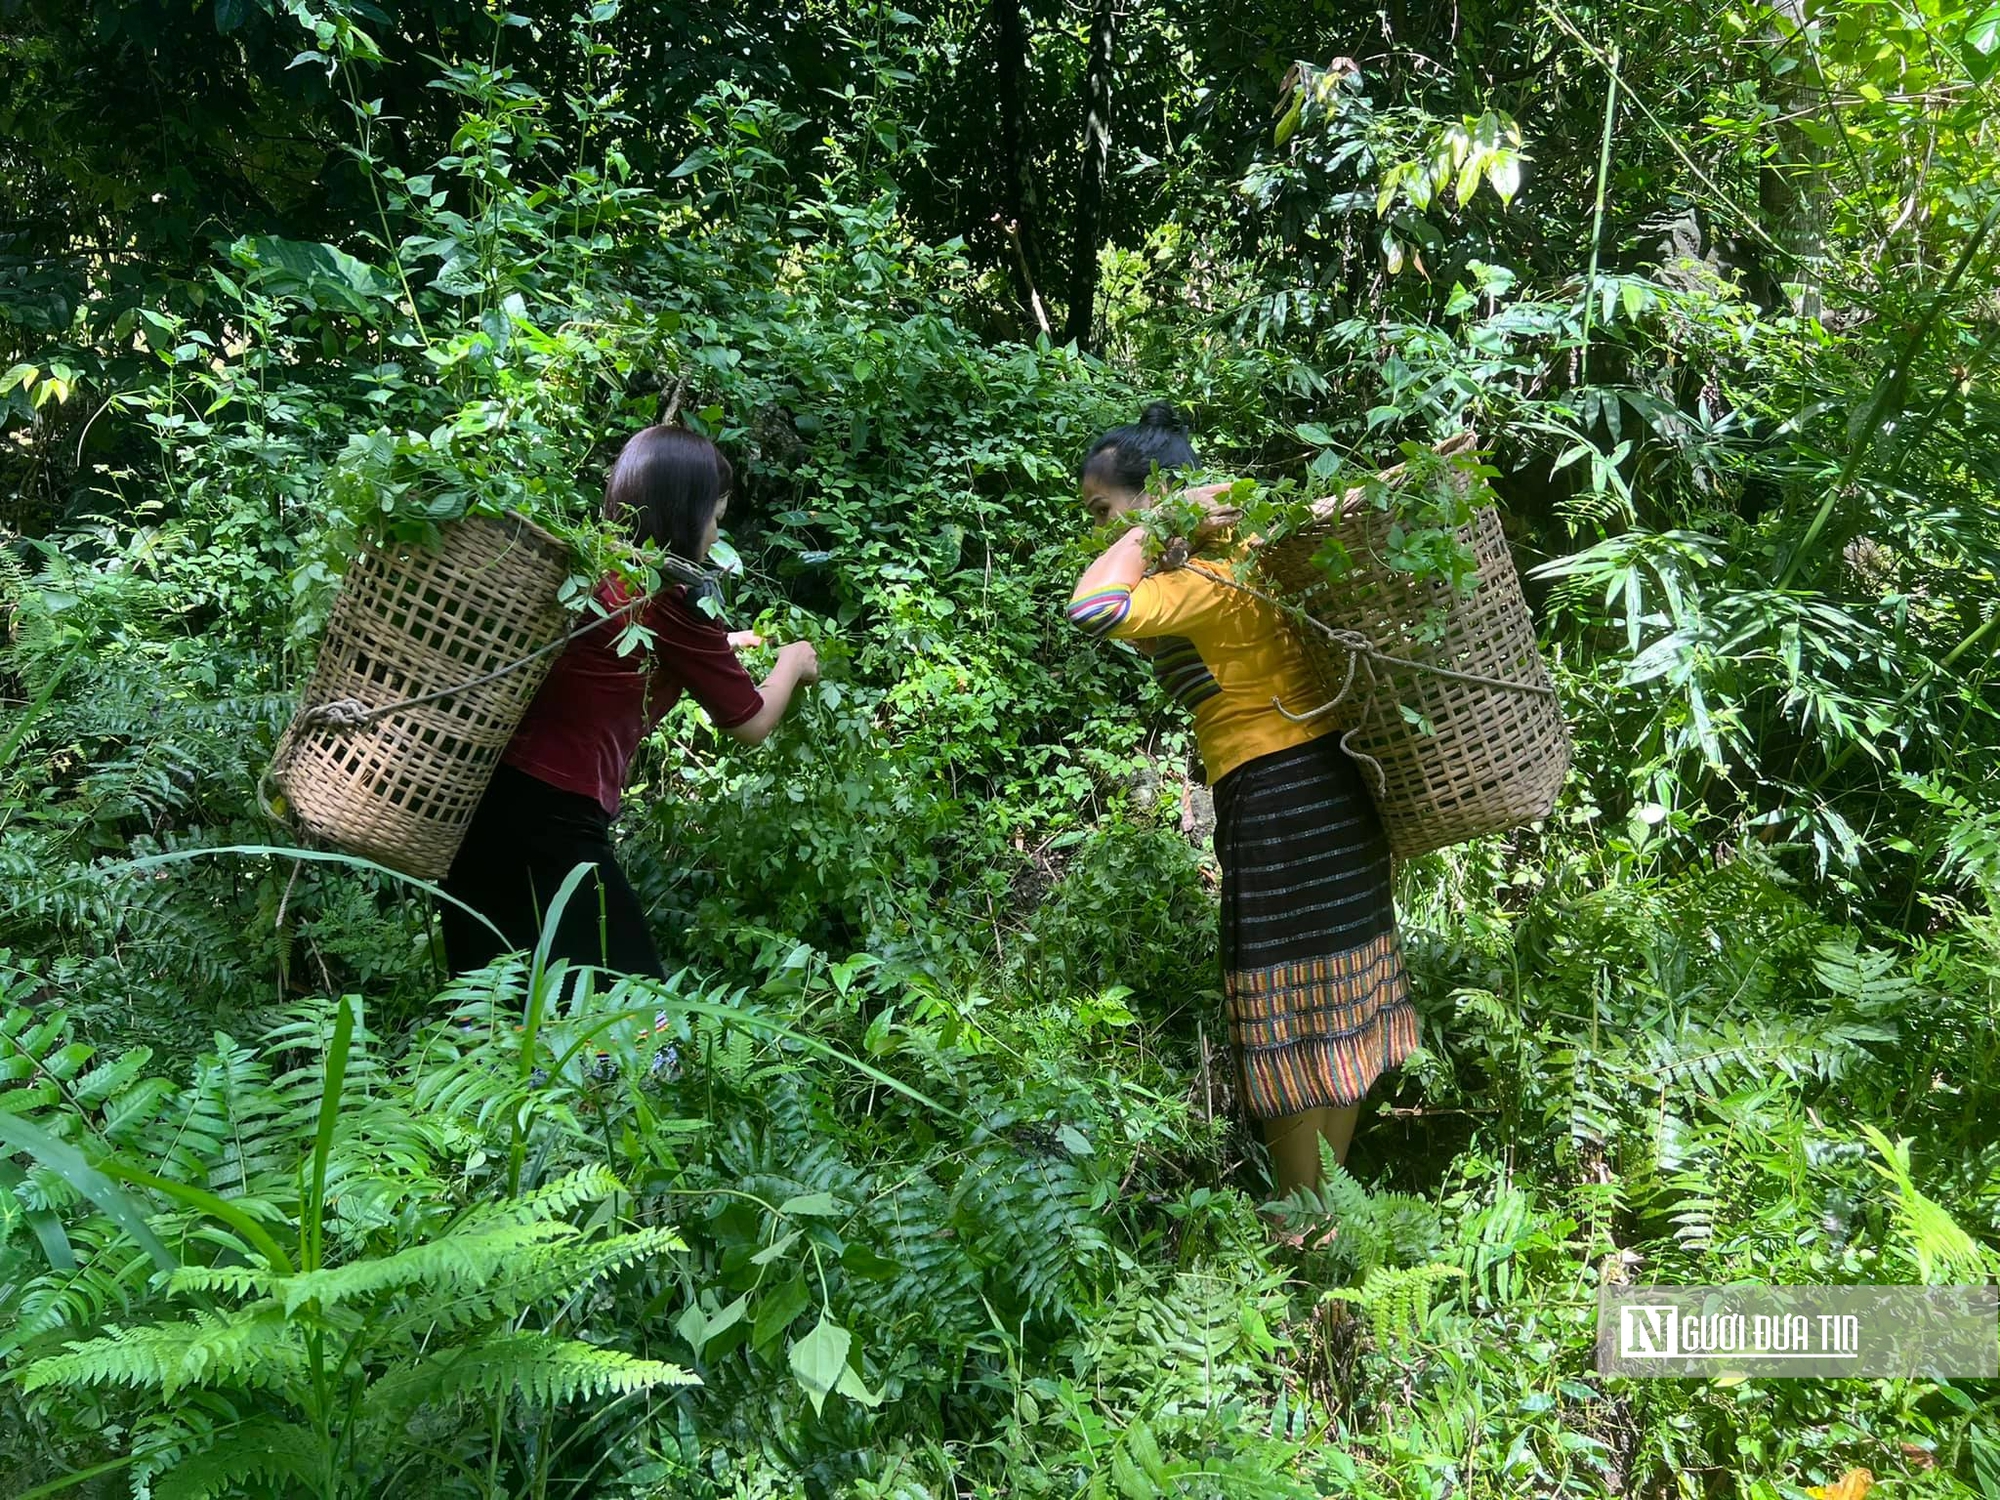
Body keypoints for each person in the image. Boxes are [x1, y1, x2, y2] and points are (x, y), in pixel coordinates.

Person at [1064, 402, 1416, 1209]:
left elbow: (1091, 606)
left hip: (1277, 802)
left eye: (1104, 512)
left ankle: (1301, 1229)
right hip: (1341, 790)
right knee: (1342, 999)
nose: (1102, 533)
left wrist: (1148, 534)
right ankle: (1328, 1213)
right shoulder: (1259, 554)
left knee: (1289, 1010)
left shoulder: (1193, 580)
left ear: (1154, 497)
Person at [439, 425, 818, 979]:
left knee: (495, 996)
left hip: (479, 797)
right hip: (555, 812)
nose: (716, 534)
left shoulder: (594, 566)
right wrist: (793, 662)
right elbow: (751, 722)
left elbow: (611, 656)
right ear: (684, 514)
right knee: (628, 996)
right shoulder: (676, 601)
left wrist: (727, 646)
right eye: (714, 517)